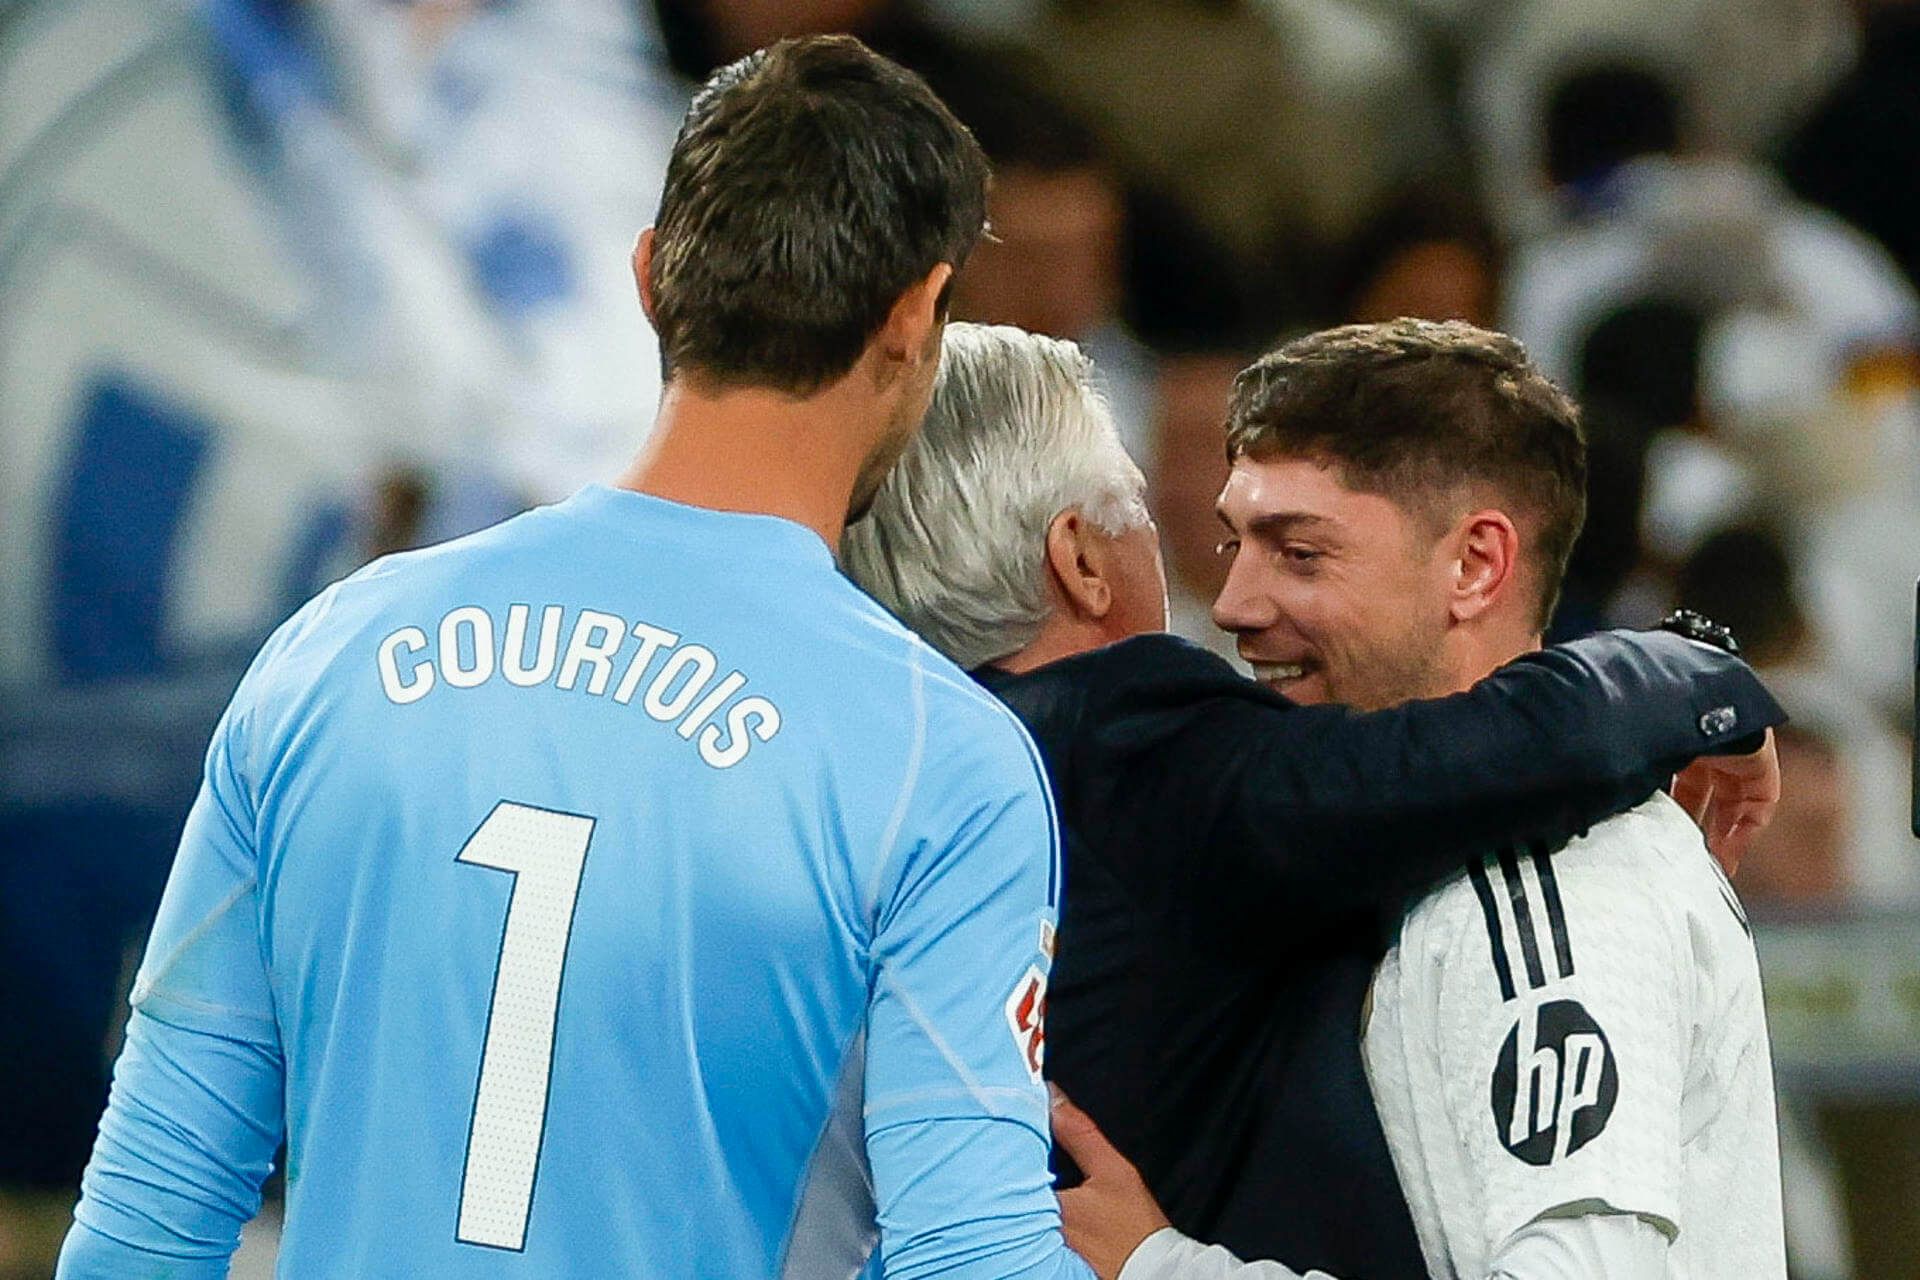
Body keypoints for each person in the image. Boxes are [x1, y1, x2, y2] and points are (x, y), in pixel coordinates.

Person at [59, 37, 1096, 1278]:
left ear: (653, 281)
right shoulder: (940, 757)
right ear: (919, 314)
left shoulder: (331, 655)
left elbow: (148, 1211)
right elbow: (969, 1256)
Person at [840, 321, 1783, 1278]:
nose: (1234, 601)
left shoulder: (1557, 877)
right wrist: (1699, 674)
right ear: (1078, 561)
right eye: (1222, 538)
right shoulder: (1128, 746)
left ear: (1475, 566)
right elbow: (1500, 748)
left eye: (1298, 553)